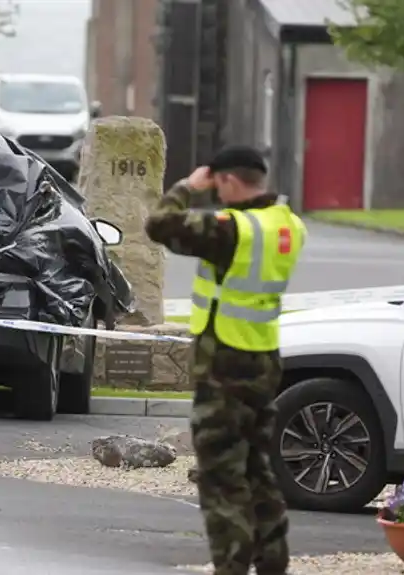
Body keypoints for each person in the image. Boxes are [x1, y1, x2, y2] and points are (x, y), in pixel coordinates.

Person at [144, 146, 307, 575]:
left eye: (217, 187)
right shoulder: (288, 224)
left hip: (225, 366)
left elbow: (159, 224)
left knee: (221, 478)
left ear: (228, 181)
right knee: (257, 470)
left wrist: (187, 187)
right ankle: (273, 563)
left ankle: (231, 567)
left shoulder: (233, 229)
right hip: (263, 360)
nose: (215, 195)